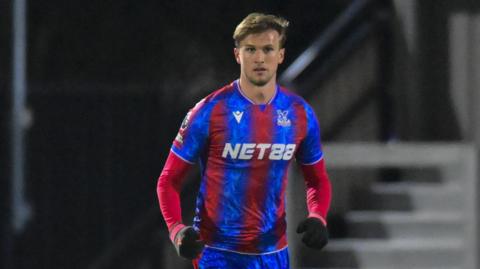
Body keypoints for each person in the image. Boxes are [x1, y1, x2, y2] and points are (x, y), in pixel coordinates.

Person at [157, 12, 332, 269]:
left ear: (281, 55)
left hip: (273, 254)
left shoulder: (299, 114)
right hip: (217, 253)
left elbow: (317, 179)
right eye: (251, 49)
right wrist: (176, 230)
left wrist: (318, 216)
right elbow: (168, 180)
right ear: (237, 54)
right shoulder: (209, 111)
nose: (260, 58)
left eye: (268, 49)